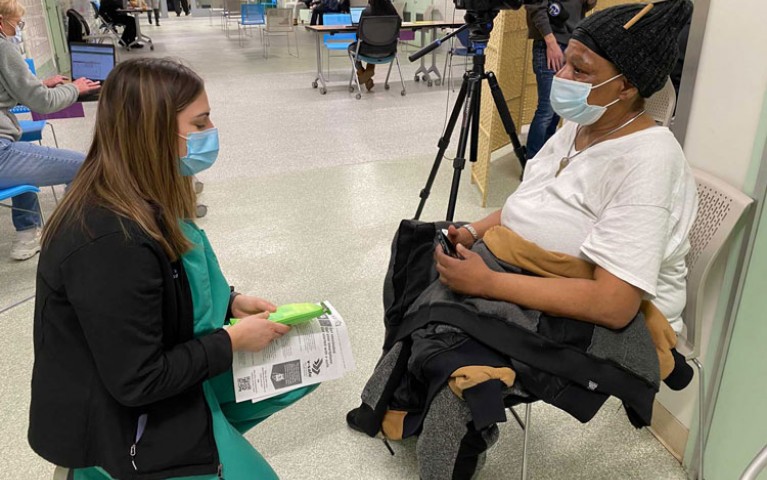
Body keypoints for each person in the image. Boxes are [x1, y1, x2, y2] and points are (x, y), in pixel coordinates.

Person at [347, 1, 697, 478]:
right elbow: (529, 206)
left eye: (581, 67)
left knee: (456, 362)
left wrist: (485, 285)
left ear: (628, 84)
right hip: (524, 266)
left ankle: (450, 438)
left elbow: (613, 303)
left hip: (601, 311)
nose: (564, 73)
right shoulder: (581, 125)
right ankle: (408, 406)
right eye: (567, 58)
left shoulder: (648, 161)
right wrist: (471, 232)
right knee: (418, 254)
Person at [28, 58, 317, 480]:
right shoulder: (110, 239)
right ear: (155, 132)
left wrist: (231, 302)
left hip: (163, 374)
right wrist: (230, 341)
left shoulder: (147, 193)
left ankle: (212, 435)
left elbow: (169, 280)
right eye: (199, 125)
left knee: (299, 371)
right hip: (122, 424)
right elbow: (138, 380)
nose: (211, 133)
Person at [0, 0, 100, 261]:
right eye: (16, 25)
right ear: (1, 22)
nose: (17, 31)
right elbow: (42, 102)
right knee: (84, 166)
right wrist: (75, 88)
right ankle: (68, 241)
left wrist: (41, 83)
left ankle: (26, 234)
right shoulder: (2, 47)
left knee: (28, 154)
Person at [523, 0, 597, 166]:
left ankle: (546, 158)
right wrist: (550, 42)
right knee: (546, 109)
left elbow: (584, 6)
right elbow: (535, 6)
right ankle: (532, 164)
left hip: (571, 44)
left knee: (557, 108)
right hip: (550, 44)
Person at [349, 0, 399, 92]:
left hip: (369, 51)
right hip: (389, 51)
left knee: (351, 48)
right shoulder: (393, 13)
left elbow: (359, 35)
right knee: (375, 43)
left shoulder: (366, 12)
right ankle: (368, 74)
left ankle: (362, 74)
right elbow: (397, 32)